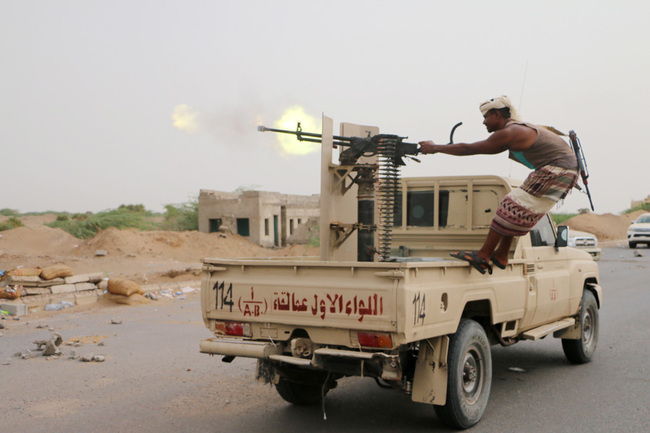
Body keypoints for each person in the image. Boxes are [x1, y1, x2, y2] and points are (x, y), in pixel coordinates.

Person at [418, 96, 578, 274]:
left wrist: (435, 148)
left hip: (558, 170)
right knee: (517, 206)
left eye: (486, 117)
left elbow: (469, 149)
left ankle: (484, 255)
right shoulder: (515, 130)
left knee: (510, 205)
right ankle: (501, 254)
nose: (484, 122)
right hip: (563, 171)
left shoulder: (511, 132)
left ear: (496, 114)